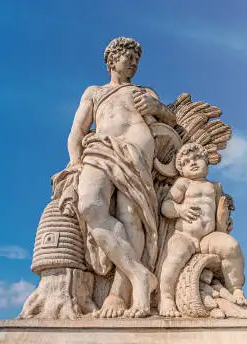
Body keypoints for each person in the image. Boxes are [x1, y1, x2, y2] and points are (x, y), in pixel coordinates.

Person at [66, 37, 176, 318]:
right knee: (90, 205)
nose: (135, 64)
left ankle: (120, 292)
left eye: (137, 60)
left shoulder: (144, 91)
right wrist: (75, 162)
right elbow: (78, 131)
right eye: (130, 58)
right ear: (112, 60)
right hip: (101, 147)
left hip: (138, 149)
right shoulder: (95, 92)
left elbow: (169, 121)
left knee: (130, 216)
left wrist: (158, 109)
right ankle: (139, 274)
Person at [157, 143, 247, 317]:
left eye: (197, 158)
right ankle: (166, 298)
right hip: (185, 235)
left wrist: (224, 225)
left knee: (231, 247)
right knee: (173, 261)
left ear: (207, 162)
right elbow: (165, 207)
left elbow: (219, 215)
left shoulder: (215, 187)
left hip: (208, 237)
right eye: (186, 161)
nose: (192, 163)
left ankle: (236, 289)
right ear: (181, 169)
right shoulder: (183, 183)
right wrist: (180, 210)